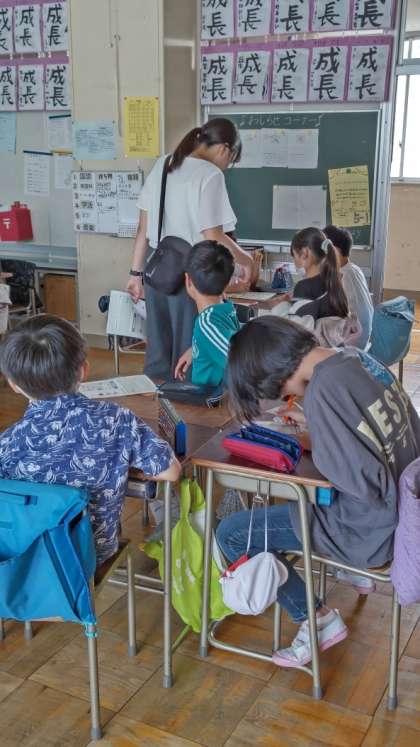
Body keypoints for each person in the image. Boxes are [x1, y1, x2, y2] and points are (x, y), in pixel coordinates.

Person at [217, 316, 420, 668]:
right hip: (399, 510)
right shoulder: (357, 358)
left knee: (232, 533)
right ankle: (347, 578)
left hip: (365, 527)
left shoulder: (322, 391)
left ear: (271, 378)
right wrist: (322, 431)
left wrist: (320, 436)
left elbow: (359, 482)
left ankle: (317, 619)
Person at [0, 315, 181, 568]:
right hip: (88, 557)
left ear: (14, 385)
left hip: (24, 563)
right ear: (84, 370)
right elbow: (171, 472)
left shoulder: (8, 442)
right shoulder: (116, 420)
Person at [126, 118, 253, 381]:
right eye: (230, 161)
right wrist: (246, 260)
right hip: (192, 276)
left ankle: (159, 403)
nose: (226, 167)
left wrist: (135, 274)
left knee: (158, 355)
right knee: (190, 352)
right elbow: (213, 234)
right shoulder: (210, 175)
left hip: (157, 271)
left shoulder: (164, 164)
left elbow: (142, 229)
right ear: (225, 149)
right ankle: (187, 404)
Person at [174, 241, 240, 386]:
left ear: (188, 281)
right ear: (227, 283)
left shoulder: (206, 323)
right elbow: (223, 339)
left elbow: (240, 362)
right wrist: (197, 348)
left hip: (212, 398)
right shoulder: (226, 308)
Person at [324, 224, 374, 349]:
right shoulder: (353, 269)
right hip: (362, 335)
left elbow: (341, 312)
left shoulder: (344, 275)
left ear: (334, 250)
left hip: (354, 342)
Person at [290, 227, 349, 321]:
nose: (294, 262)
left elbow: (297, 326)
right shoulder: (335, 282)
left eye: (294, 256)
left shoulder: (303, 287)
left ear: (305, 253)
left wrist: (281, 306)